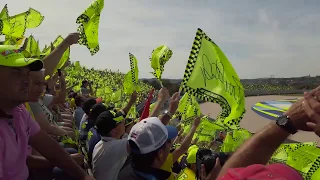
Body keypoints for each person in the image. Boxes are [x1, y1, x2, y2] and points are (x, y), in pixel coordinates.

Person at [0, 44, 94, 180]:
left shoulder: (19, 111)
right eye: (16, 73)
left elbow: (47, 147)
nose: (27, 81)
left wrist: (84, 176)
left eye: (27, 74)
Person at [91, 92, 137, 180]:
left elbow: (121, 116)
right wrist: (161, 102)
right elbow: (143, 134)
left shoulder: (103, 142)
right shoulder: (113, 148)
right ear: (113, 132)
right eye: (120, 122)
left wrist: (131, 102)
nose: (123, 121)